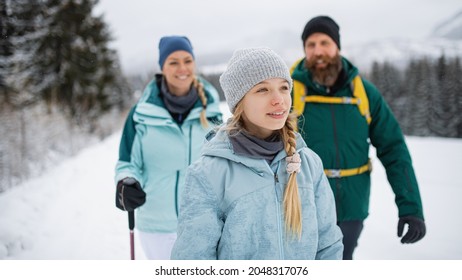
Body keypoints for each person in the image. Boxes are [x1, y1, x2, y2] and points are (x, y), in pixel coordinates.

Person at [170, 47, 343, 260]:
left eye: (283, 87)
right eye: (262, 90)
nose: (279, 99)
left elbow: (328, 245)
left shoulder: (308, 164)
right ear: (239, 102)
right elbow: (193, 259)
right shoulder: (209, 174)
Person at [290, 16, 426, 259]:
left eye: (324, 42)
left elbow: (394, 149)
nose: (318, 51)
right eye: (310, 45)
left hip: (351, 208)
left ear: (337, 47)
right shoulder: (288, 92)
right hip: (301, 207)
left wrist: (411, 207)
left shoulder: (364, 93)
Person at [114, 35, 223, 259]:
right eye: (173, 62)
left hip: (202, 224)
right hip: (157, 227)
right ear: (162, 66)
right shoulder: (140, 115)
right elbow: (127, 163)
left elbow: (222, 165)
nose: (182, 68)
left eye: (187, 60)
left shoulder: (212, 112)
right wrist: (126, 183)